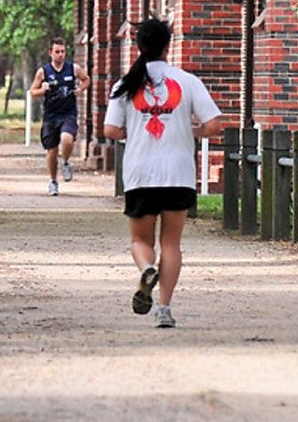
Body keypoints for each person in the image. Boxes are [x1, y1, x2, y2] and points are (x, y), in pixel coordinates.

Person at [102, 18, 224, 329]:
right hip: (178, 173)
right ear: (168, 45)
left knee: (140, 240)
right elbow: (213, 126)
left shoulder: (125, 85)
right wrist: (188, 130)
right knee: (171, 244)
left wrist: (138, 129)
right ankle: (165, 309)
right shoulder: (186, 81)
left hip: (141, 174)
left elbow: (111, 130)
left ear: (138, 46)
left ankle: (146, 269)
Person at [29, 37, 90, 196]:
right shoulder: (43, 71)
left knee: (67, 139)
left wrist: (80, 89)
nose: (60, 55)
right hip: (50, 115)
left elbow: (86, 79)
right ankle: (53, 181)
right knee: (52, 150)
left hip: (68, 113)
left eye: (63, 52)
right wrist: (42, 90)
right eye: (57, 52)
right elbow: (32, 92)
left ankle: (66, 162)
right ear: (51, 53)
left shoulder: (73, 69)